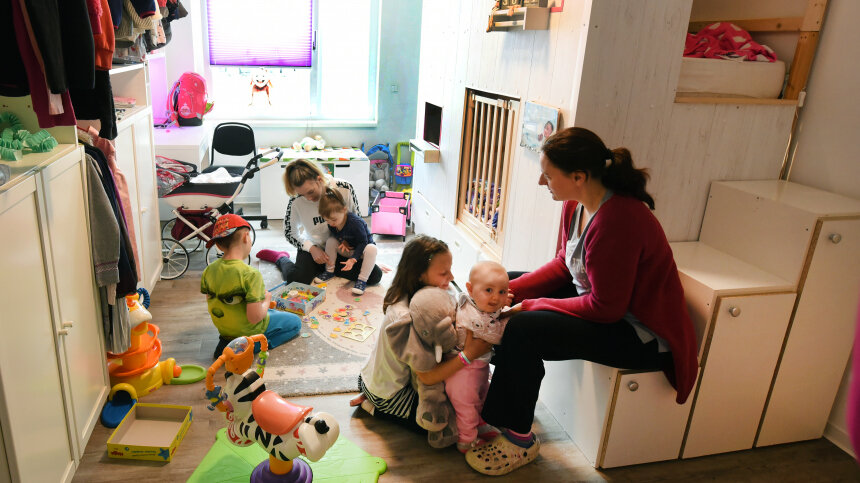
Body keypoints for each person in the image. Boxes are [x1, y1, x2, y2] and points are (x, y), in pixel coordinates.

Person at [465, 127, 698, 476]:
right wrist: (509, 291)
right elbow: (565, 265)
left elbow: (606, 308)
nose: (542, 182)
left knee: (523, 328)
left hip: (639, 334)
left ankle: (519, 440)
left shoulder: (618, 221)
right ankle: (492, 398)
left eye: (548, 175)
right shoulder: (575, 205)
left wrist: (536, 304)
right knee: (499, 286)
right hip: (601, 304)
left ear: (578, 176)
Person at [349, 235, 492, 448]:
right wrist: (469, 355)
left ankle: (369, 396)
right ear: (419, 275)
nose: (451, 277)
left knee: (464, 399)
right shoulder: (407, 316)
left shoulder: (424, 296)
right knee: (447, 421)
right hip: (389, 394)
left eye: (450, 269)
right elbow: (427, 377)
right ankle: (374, 407)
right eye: (443, 273)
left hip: (372, 376)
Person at [255, 159, 383, 286]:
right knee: (297, 279)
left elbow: (359, 225)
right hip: (314, 248)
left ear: (319, 179)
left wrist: (363, 255)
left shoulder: (345, 188)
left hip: (340, 248)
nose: (309, 198)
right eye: (302, 194)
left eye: (310, 192)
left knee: (374, 276)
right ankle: (281, 258)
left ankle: (323, 269)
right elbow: (290, 233)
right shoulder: (295, 200)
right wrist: (311, 248)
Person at [201, 214, 302, 359]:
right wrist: (266, 299)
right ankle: (249, 346)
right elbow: (255, 318)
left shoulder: (208, 270)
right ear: (246, 237)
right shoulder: (251, 275)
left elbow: (212, 301)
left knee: (268, 311)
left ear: (218, 245)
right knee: (295, 323)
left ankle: (227, 343)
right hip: (249, 331)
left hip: (225, 331)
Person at [445, 260, 509, 453]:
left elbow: (493, 314)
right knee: (467, 406)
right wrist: (510, 314)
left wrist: (503, 309)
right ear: (470, 289)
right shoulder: (470, 316)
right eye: (489, 290)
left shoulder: (477, 303)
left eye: (502, 292)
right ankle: (466, 440)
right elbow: (495, 335)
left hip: (478, 367)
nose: (496, 298)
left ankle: (480, 424)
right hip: (463, 373)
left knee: (482, 395)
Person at [313, 187, 380, 295]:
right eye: (327, 220)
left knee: (372, 248)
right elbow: (336, 234)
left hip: (362, 252)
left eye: (333, 220)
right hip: (348, 250)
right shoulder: (332, 224)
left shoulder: (355, 222)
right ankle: (329, 271)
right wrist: (343, 241)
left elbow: (363, 242)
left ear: (344, 210)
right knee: (331, 241)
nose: (331, 223)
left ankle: (362, 280)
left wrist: (353, 260)